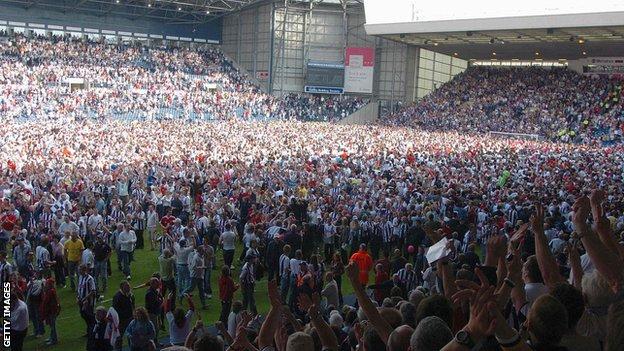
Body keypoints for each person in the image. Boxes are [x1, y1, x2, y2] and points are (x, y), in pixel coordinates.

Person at [112, 281, 135, 350]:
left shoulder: (130, 295)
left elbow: (133, 305)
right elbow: (115, 310)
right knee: (119, 337)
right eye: (126, 286)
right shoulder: (117, 297)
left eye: (129, 286)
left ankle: (132, 348)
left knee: (131, 335)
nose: (129, 287)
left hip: (130, 318)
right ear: (122, 288)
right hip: (121, 320)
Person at [78, 263, 97, 339]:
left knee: (90, 317)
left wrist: (85, 298)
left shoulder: (90, 279)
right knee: (84, 315)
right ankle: (89, 330)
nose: (79, 271)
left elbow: (93, 291)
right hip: (81, 301)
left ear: (84, 270)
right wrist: (78, 297)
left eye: (80, 270)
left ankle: (93, 331)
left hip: (88, 302)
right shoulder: (80, 277)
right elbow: (79, 288)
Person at [40, 277, 60, 346]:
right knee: (51, 325)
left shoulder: (50, 291)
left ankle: (54, 339)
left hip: (52, 311)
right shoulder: (50, 291)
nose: (45, 285)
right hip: (51, 311)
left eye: (47, 284)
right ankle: (52, 337)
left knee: (53, 326)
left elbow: (46, 301)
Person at [144, 277, 163, 345]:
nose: (158, 285)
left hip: (156, 312)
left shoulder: (154, 291)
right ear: (152, 284)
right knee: (154, 328)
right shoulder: (150, 293)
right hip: (152, 313)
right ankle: (153, 342)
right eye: (157, 283)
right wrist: (160, 300)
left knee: (157, 327)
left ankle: (154, 341)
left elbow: (160, 298)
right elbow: (155, 303)